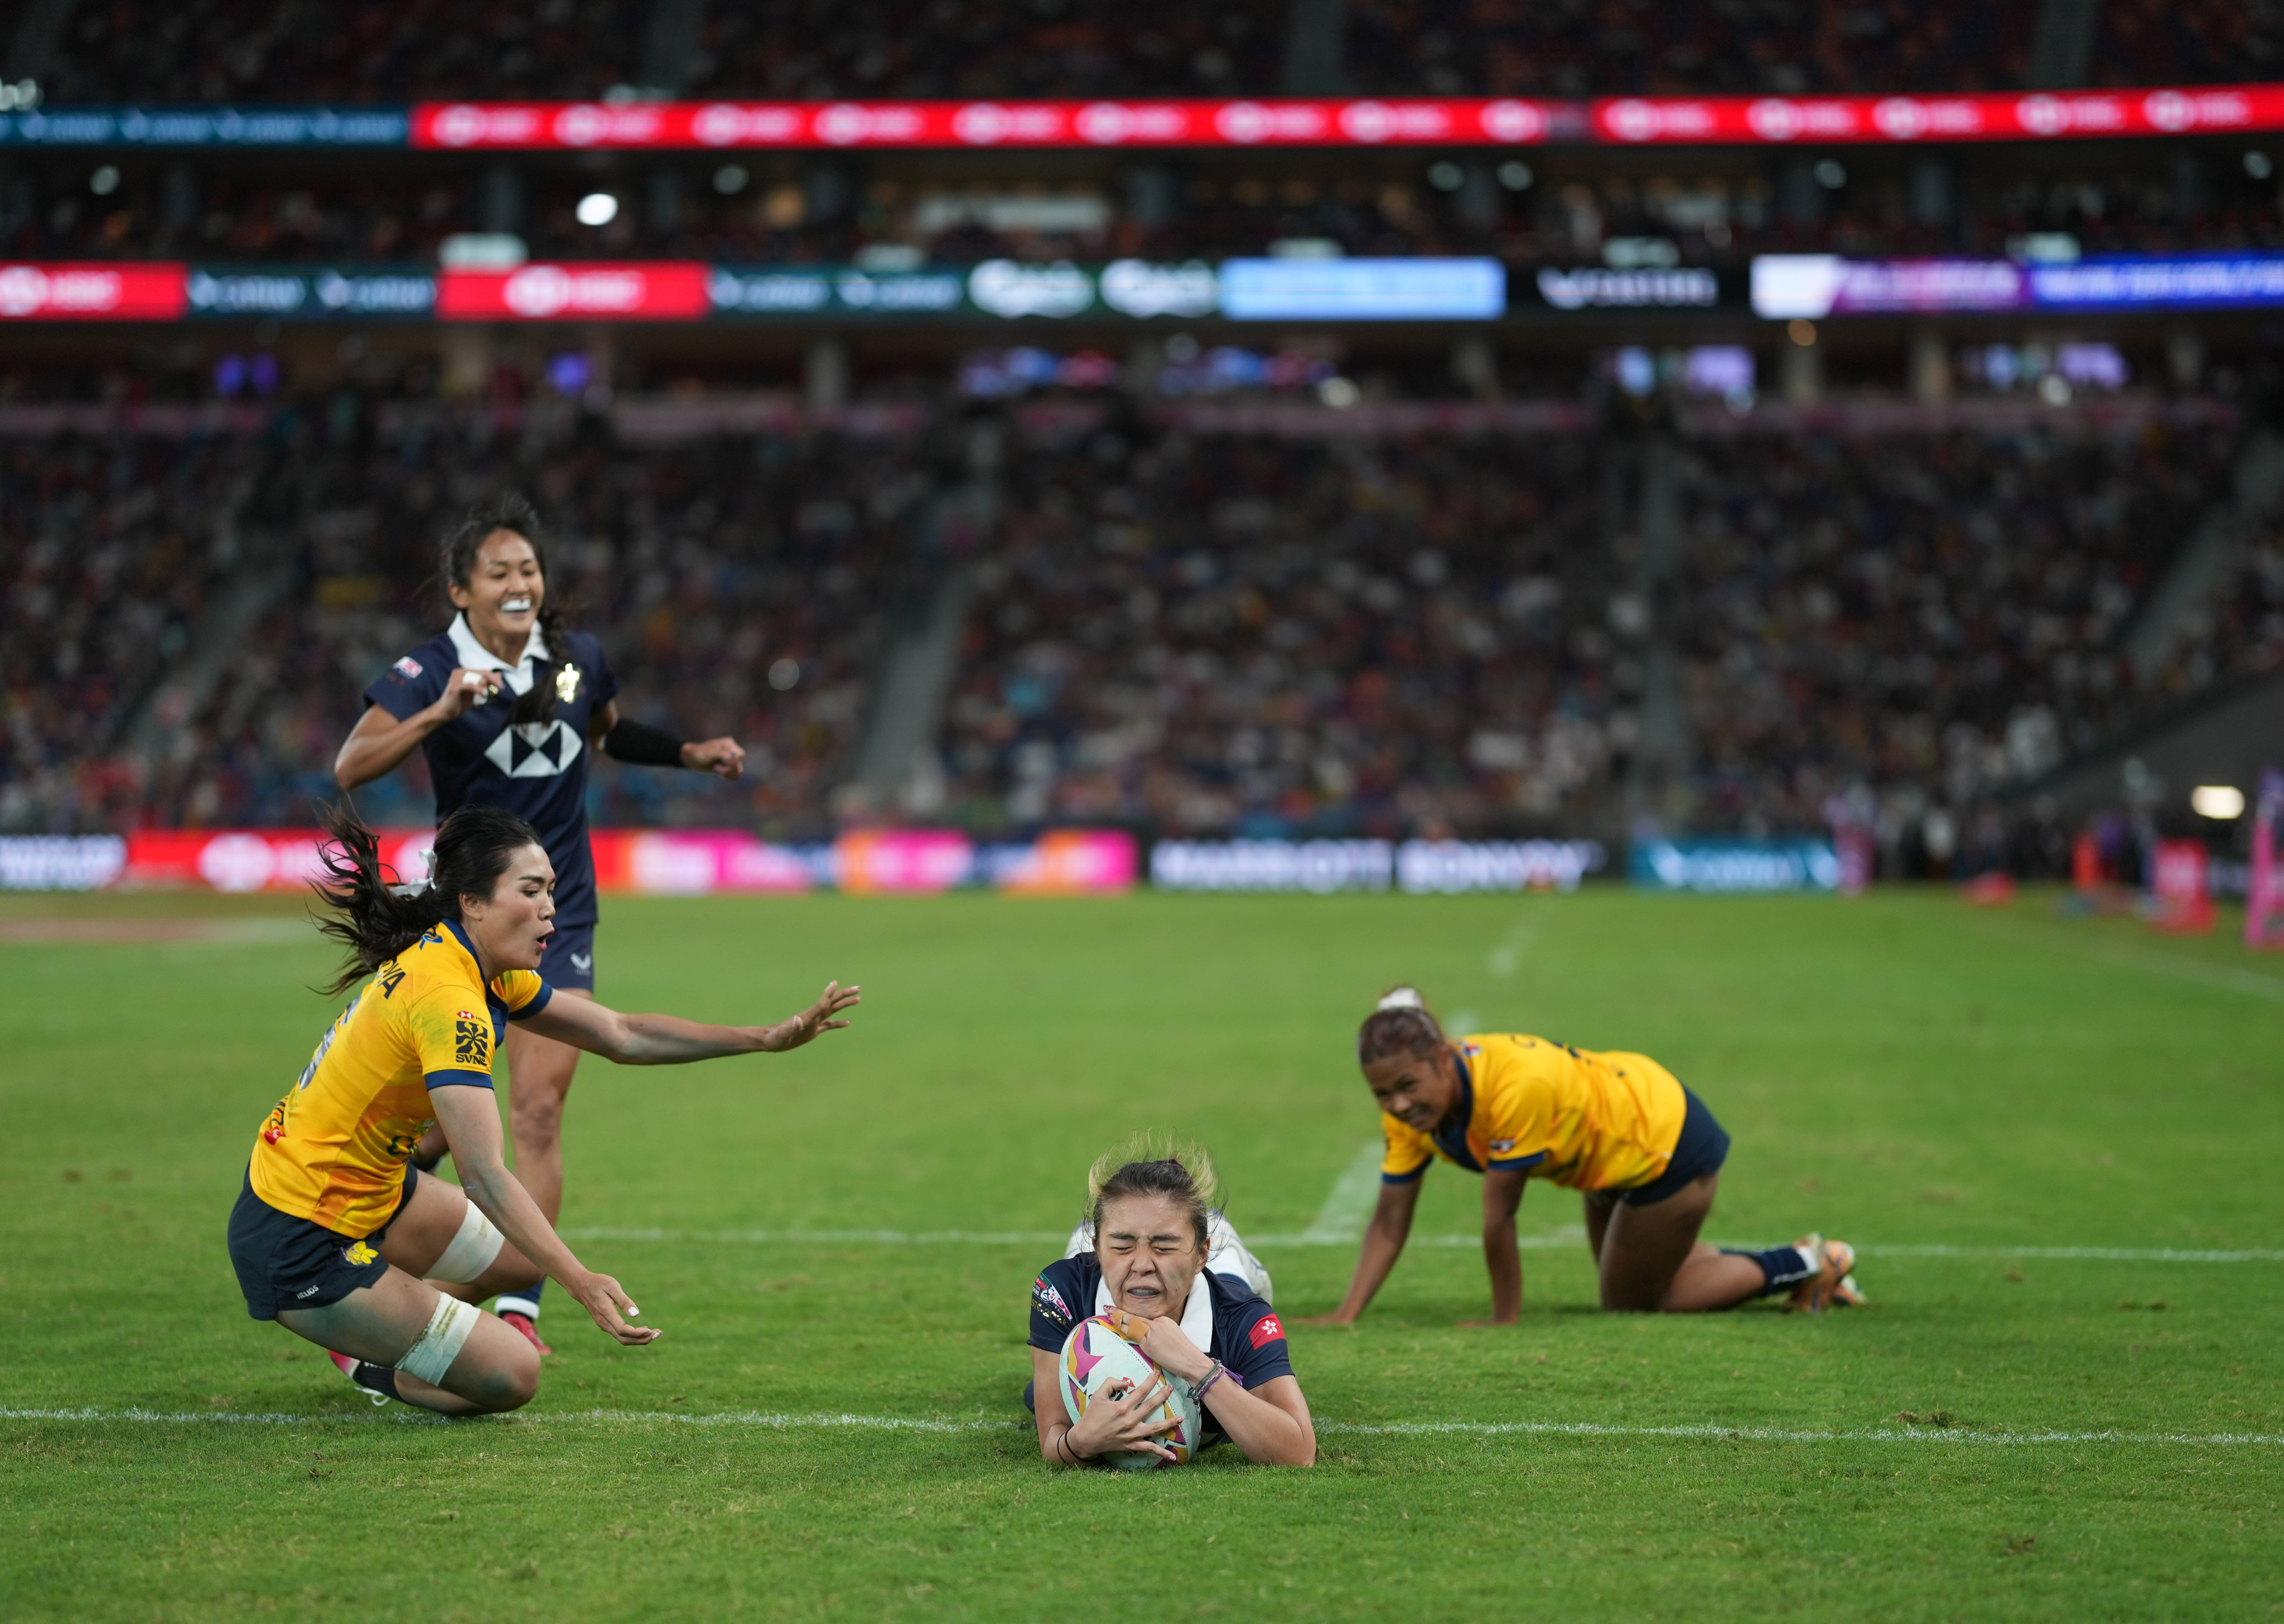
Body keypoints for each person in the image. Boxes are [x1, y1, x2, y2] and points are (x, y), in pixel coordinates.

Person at [226, 801, 859, 1414]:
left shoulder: (481, 967)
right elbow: (483, 1175)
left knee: (525, 1256)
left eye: (552, 889)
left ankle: (383, 1320)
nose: (551, 909)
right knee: (513, 1374)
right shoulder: (451, 998)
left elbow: (623, 1033)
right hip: (301, 1235)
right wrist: (581, 1280)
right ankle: (366, 1357)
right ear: (472, 901)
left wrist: (766, 1038)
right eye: (530, 890)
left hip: (371, 1193)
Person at [334, 495, 746, 1354]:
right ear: (461, 591)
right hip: (467, 922)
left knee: (539, 1110)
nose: (520, 583)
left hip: (561, 913)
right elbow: (352, 764)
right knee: (436, 1124)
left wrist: (688, 754)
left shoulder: (576, 658)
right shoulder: (427, 672)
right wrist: (436, 717)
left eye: (528, 569)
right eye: (499, 572)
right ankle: (367, 1260)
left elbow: (608, 731)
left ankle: (520, 1299)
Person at [1306, 989, 1862, 1325]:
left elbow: (1499, 1216)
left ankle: (1815, 1263)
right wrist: (1347, 1311)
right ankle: (1798, 1257)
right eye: (1383, 1093)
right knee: (1637, 1276)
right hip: (1602, 1157)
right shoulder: (1407, 1115)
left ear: (1443, 1058)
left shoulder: (1514, 1087)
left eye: (1408, 1085)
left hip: (1659, 1139)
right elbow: (1390, 1220)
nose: (1399, 1104)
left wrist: (1505, 1319)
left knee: (1636, 1302)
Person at [1025, 1138, 1315, 1467]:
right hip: (1113, 1254)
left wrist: (1197, 1366)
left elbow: (1300, 1453)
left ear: (1202, 1253)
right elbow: (1054, 1438)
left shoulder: (1242, 1317)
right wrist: (1080, 1442)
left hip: (1226, 1271)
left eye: (1163, 1246)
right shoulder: (1062, 1292)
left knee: (1229, 1264)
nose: (1142, 1264)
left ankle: (1190, 1236)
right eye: (1122, 1246)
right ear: (1097, 1249)